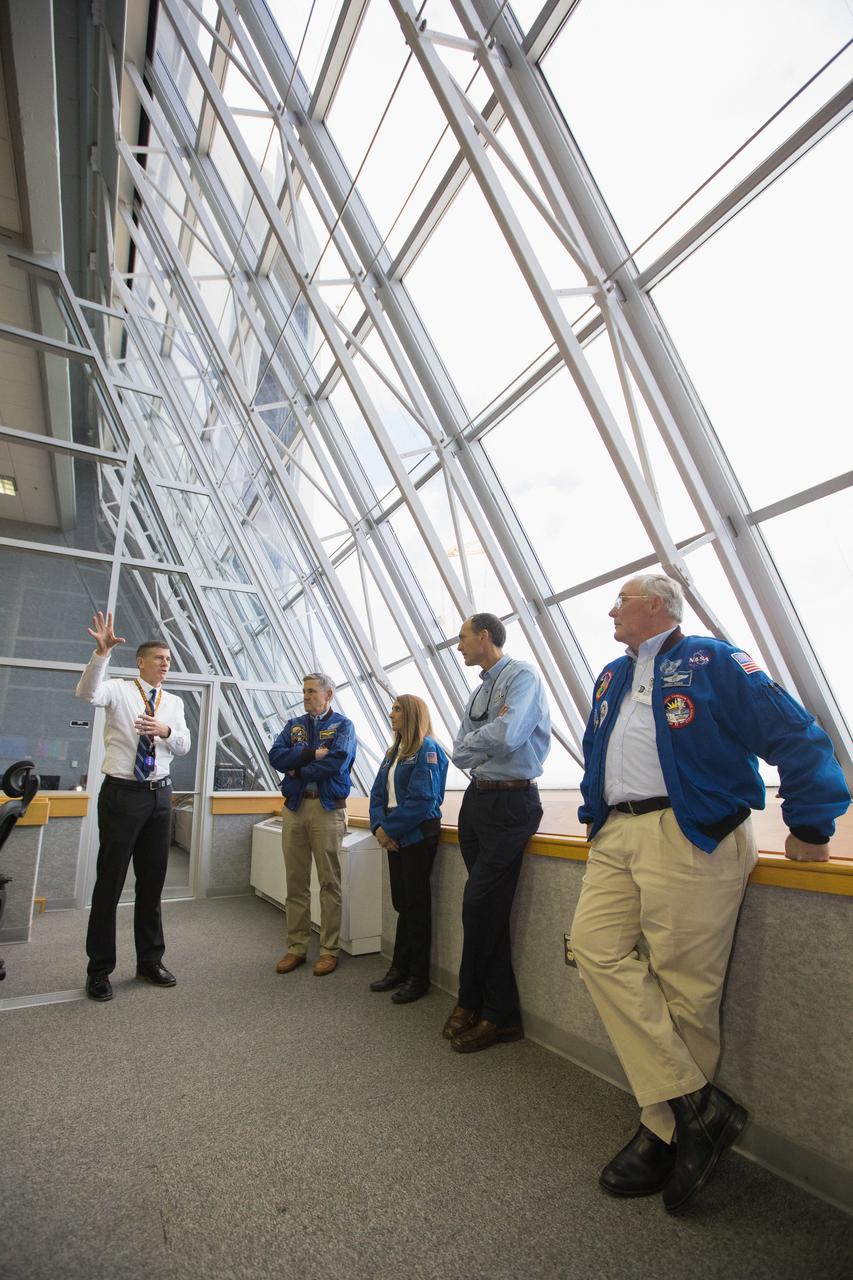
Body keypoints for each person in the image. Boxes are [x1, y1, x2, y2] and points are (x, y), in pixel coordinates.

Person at [571, 574, 850, 1211]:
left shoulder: (714, 660)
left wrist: (811, 820)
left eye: (622, 599)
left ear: (657, 607)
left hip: (689, 831)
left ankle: (663, 1131)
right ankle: (700, 1107)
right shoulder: (612, 676)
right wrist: (595, 816)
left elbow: (795, 732)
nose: (611, 610)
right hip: (619, 833)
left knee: (685, 988)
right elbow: (597, 751)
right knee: (592, 949)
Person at [444, 612, 551, 1053]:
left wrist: (477, 743)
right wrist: (478, 743)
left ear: (484, 636)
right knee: (485, 911)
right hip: (478, 801)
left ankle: (482, 1005)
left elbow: (507, 735)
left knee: (477, 905)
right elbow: (458, 747)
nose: (458, 645)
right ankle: (491, 1010)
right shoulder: (482, 688)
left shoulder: (522, 676)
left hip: (511, 802)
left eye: (463, 637)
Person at [78, 611, 191, 1002]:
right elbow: (87, 694)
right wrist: (101, 654)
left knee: (152, 882)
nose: (165, 663)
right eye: (159, 658)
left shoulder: (173, 703)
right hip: (123, 795)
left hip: (161, 795)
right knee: (109, 882)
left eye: (169, 660)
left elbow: (185, 744)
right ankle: (99, 970)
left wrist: (167, 731)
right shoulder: (119, 690)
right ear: (141, 661)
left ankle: (149, 961)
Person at [268, 673, 356, 976]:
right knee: (296, 882)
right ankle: (297, 947)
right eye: (304, 692)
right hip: (295, 808)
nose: (306, 697)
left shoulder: (344, 726)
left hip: (326, 809)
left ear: (328, 694)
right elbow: (275, 756)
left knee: (329, 882)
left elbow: (336, 763)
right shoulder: (294, 725)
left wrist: (296, 770)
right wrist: (307, 755)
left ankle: (329, 950)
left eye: (311, 692)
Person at [368, 695, 449, 1004]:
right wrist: (379, 827)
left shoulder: (428, 750)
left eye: (397, 709)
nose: (391, 714)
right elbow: (377, 793)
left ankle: (418, 976)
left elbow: (424, 800)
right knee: (402, 902)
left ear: (413, 714)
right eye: (392, 708)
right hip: (394, 834)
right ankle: (399, 968)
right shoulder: (393, 753)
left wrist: (389, 829)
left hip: (416, 836)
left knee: (416, 905)